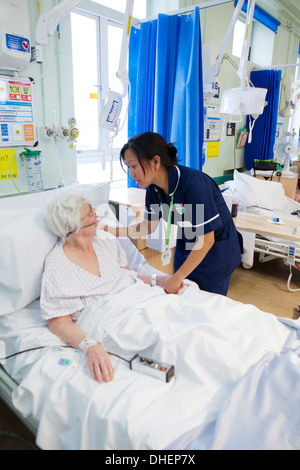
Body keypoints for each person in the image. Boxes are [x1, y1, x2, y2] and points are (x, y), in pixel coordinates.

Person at [40, 189, 173, 384]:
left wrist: (157, 280)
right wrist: (89, 346)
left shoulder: (106, 240)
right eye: (90, 211)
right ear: (75, 227)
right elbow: (59, 322)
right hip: (115, 322)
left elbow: (129, 276)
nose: (97, 213)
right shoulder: (57, 267)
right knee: (170, 343)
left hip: (142, 302)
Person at [107, 131, 242, 296]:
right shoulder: (153, 190)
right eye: (129, 168)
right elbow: (148, 226)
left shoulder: (194, 185)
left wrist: (178, 277)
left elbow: (206, 239)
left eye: (134, 166)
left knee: (205, 305)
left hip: (215, 256)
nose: (131, 173)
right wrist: (114, 231)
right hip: (186, 247)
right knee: (182, 300)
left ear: (156, 161)